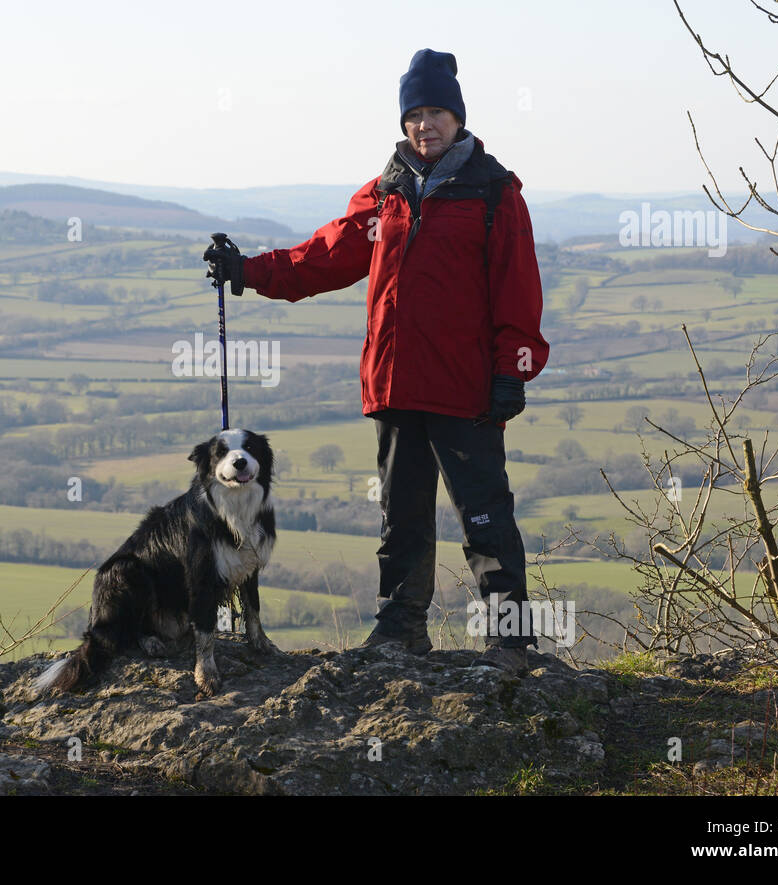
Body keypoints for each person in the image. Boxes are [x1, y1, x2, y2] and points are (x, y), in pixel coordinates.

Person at [204, 48, 550, 674]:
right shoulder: (387, 190)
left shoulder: (494, 193)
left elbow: (518, 289)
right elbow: (326, 255)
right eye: (415, 114)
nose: (425, 125)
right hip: (395, 386)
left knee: (485, 516)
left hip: (466, 388)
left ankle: (512, 641)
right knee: (402, 517)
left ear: (458, 117)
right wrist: (248, 271)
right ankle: (398, 631)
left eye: (437, 112)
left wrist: (513, 370)